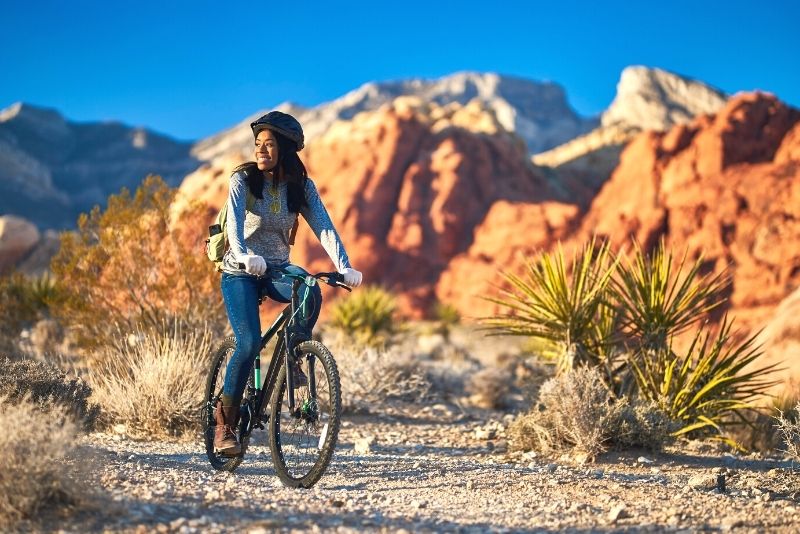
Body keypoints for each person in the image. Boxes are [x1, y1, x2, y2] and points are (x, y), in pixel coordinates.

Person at [214, 111, 363, 455]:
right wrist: (244, 255)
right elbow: (234, 226)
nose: (261, 150)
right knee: (249, 343)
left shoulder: (300, 187)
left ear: (284, 148)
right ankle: (225, 424)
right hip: (240, 270)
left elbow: (323, 227)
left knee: (309, 288)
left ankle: (294, 357)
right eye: (257, 144)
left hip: (277, 268)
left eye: (268, 144)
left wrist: (345, 265)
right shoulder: (243, 181)